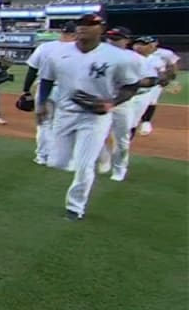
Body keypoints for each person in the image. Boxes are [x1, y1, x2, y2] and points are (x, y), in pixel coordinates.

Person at [36, 13, 141, 220]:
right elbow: (47, 79)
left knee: (84, 165)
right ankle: (102, 152)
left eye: (90, 24)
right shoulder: (58, 53)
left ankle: (75, 207)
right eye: (80, 24)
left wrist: (111, 103)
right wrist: (41, 104)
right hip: (64, 113)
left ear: (101, 29)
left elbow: (131, 85)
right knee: (57, 161)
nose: (83, 27)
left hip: (94, 115)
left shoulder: (117, 56)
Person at [94, 28, 157, 181]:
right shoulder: (95, 55)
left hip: (123, 102)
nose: (112, 42)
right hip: (98, 101)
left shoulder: (135, 59)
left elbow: (152, 79)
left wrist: (132, 81)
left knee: (121, 138)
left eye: (116, 38)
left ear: (126, 40)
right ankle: (104, 158)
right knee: (94, 134)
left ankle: (119, 169)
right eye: (109, 38)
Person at [22, 21, 78, 165]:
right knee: (63, 125)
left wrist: (26, 90)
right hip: (68, 91)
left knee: (44, 124)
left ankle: (42, 156)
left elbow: (32, 71)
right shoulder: (80, 50)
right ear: (75, 34)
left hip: (44, 88)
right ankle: (61, 157)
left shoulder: (45, 47)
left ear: (62, 32)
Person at [137, 37, 180, 136]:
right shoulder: (134, 55)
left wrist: (172, 79)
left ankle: (146, 123)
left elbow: (172, 65)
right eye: (140, 43)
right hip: (137, 82)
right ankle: (136, 122)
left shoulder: (164, 54)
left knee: (152, 101)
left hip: (155, 82)